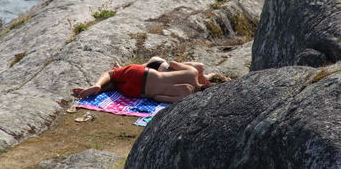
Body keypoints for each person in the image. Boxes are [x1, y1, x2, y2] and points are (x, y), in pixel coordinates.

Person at [72, 57, 230, 103]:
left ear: (207, 83)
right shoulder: (185, 96)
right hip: (138, 92)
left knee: (111, 74)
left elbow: (173, 63)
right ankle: (106, 88)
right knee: (115, 85)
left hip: (144, 73)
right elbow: (157, 98)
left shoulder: (193, 72)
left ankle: (97, 85)